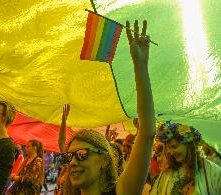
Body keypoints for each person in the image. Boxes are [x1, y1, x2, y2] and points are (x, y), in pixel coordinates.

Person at [59, 20, 156, 195]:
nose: (72, 162)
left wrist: (140, 64)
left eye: (81, 154)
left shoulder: (121, 191)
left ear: (104, 160)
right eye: (69, 156)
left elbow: (147, 132)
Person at [152, 121, 221, 194]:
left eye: (175, 146)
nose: (171, 152)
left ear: (188, 145)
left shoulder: (214, 173)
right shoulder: (167, 173)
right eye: (169, 148)